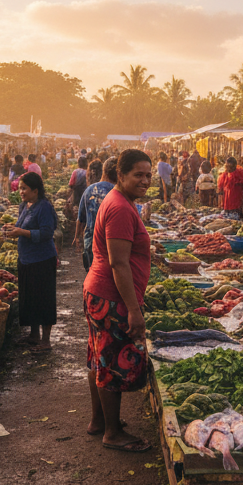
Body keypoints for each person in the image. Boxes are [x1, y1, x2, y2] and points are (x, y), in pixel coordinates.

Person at [83, 149, 153, 452]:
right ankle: (112, 432)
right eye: (138, 174)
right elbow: (118, 263)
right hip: (111, 296)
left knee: (99, 357)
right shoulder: (122, 208)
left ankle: (99, 420)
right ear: (120, 175)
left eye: (148, 175)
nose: (145, 180)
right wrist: (134, 310)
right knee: (111, 361)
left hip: (101, 292)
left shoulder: (119, 201)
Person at [2, 172, 58, 353]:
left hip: (42, 259)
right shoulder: (24, 206)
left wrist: (21, 232)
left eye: (24, 188)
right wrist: (12, 228)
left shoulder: (45, 207)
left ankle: (46, 340)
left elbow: (47, 233)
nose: (21, 192)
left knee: (44, 299)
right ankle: (34, 335)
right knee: (29, 298)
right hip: (26, 259)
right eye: (20, 188)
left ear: (35, 190)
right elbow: (23, 226)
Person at [73, 157, 117, 272]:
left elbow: (80, 218)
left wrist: (76, 237)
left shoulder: (90, 190)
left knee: (92, 275)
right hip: (111, 244)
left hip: (91, 242)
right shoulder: (117, 192)